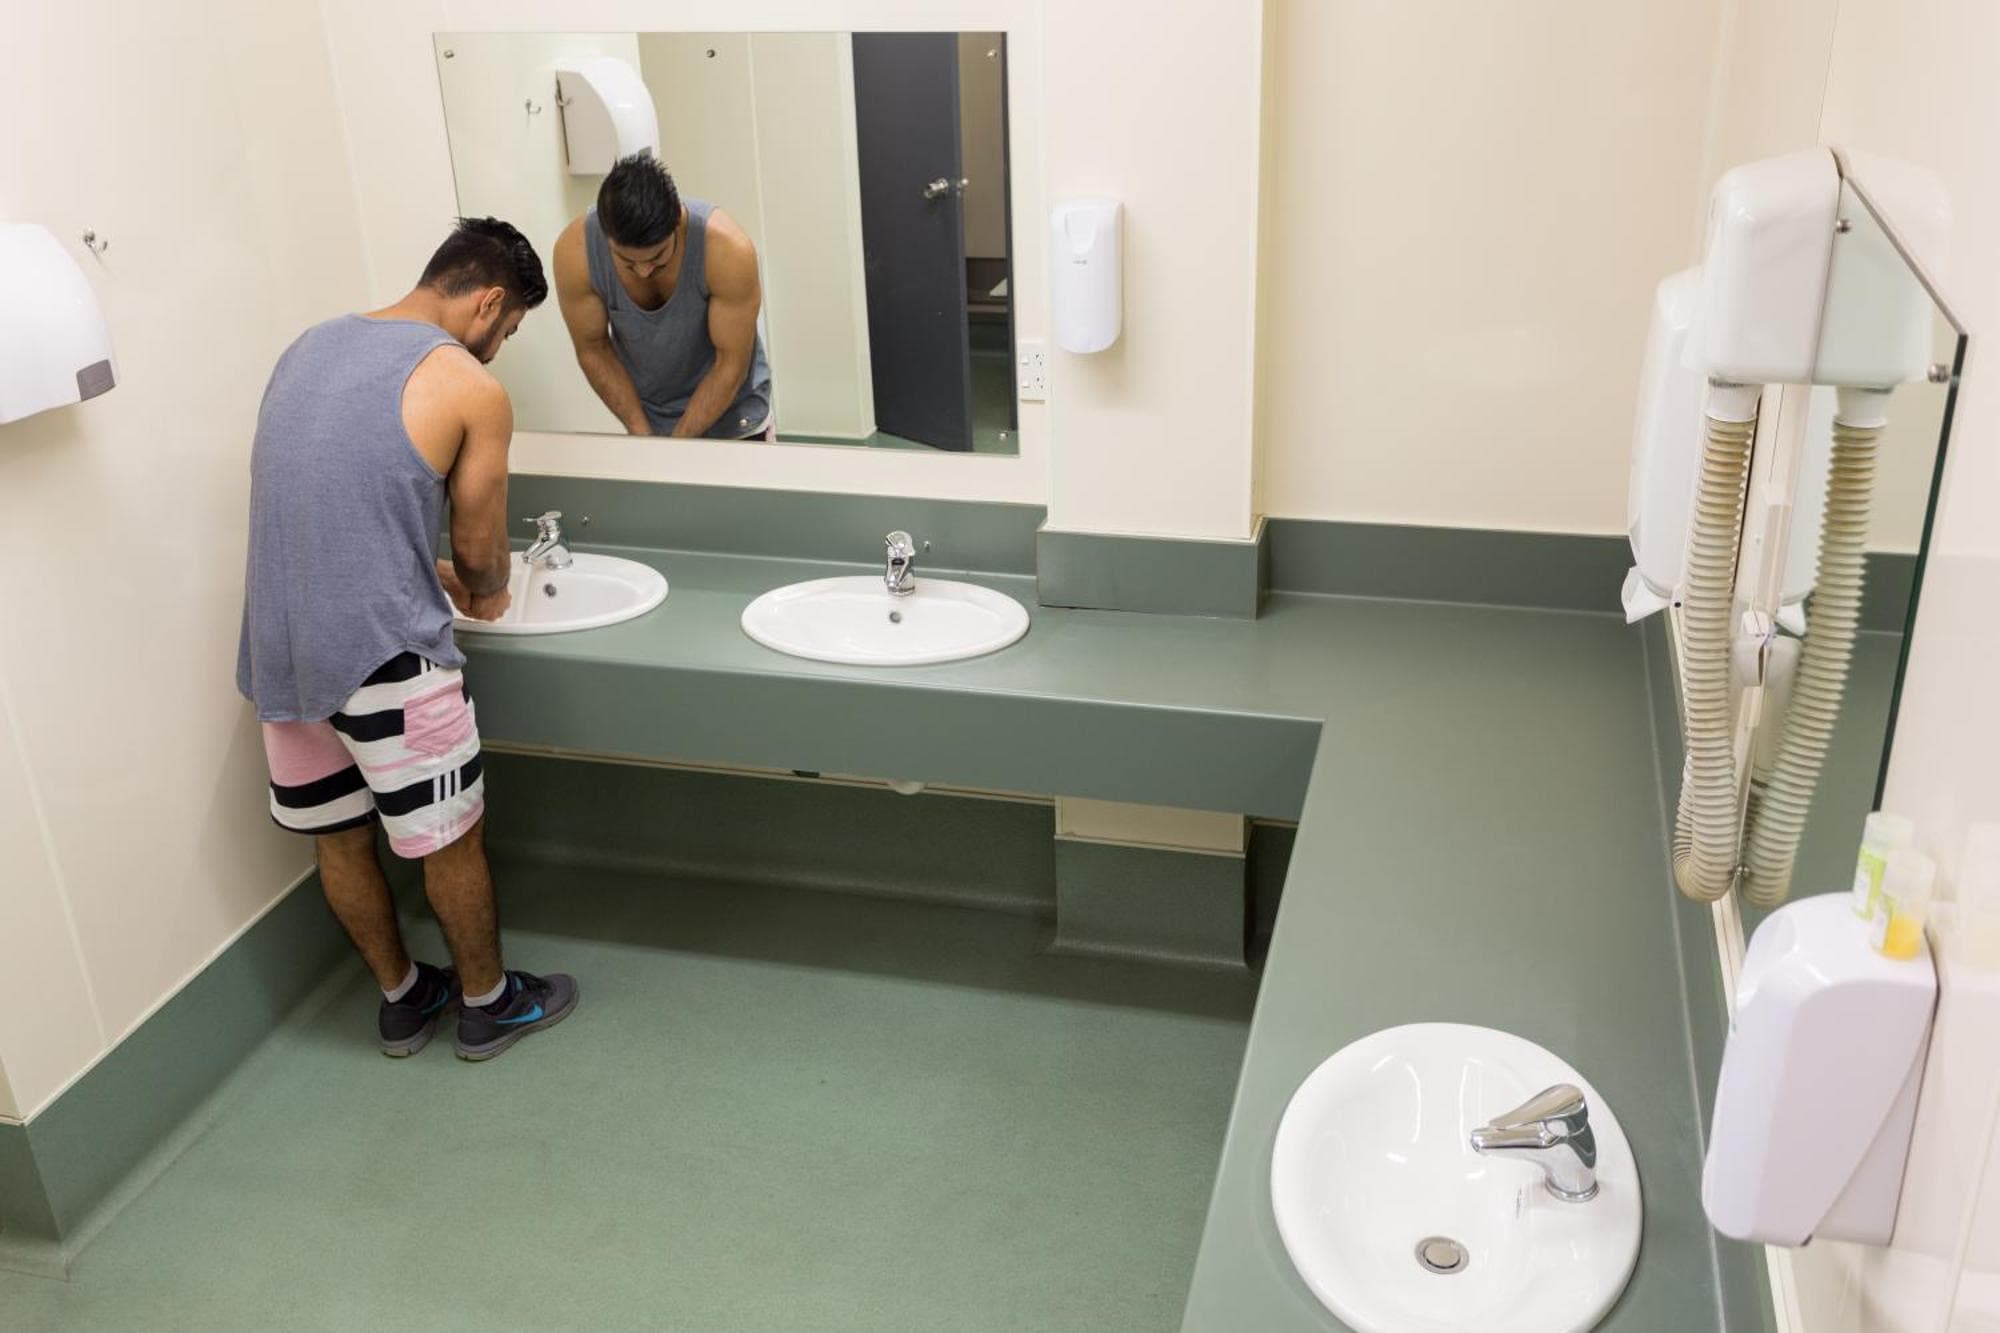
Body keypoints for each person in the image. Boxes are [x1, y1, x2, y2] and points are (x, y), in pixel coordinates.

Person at [236, 217, 578, 1062]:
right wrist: (487, 588)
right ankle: (489, 1004)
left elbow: (337, 494)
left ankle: (402, 998)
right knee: (449, 837)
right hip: (385, 657)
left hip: (281, 654)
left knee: (340, 837)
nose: (500, 348)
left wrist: (422, 567)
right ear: (489, 302)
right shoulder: (467, 383)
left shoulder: (308, 347)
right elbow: (481, 554)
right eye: (510, 330)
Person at [554, 152, 775, 439]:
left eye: (657, 258)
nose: (644, 271)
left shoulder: (727, 251)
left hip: (736, 417)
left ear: (677, 224)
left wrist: (676, 446)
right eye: (627, 261)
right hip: (651, 420)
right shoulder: (576, 253)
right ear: (607, 237)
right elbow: (593, 349)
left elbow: (730, 364)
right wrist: (641, 432)